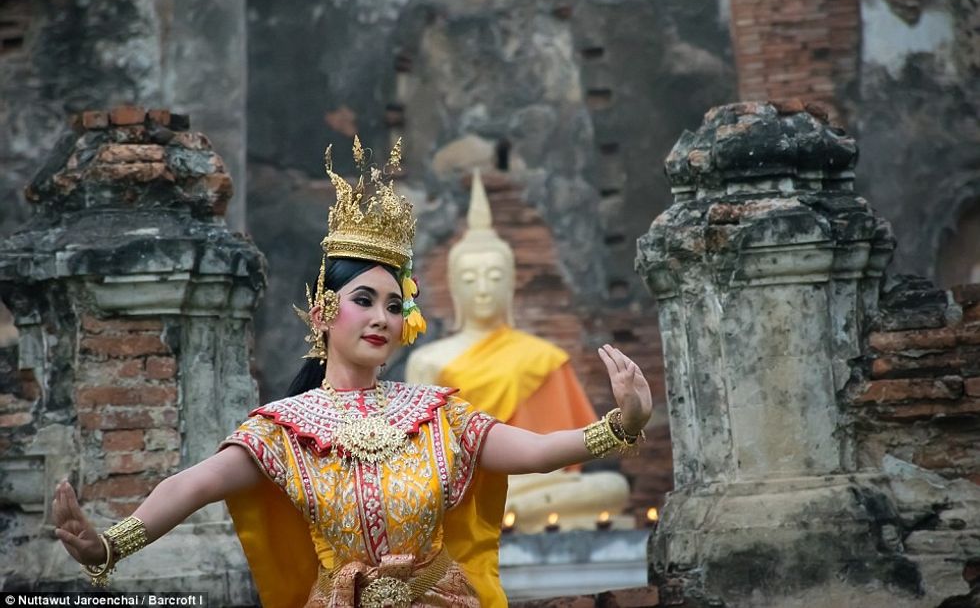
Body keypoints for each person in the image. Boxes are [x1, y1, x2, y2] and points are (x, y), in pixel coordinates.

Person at [51, 138, 653, 608]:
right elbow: (191, 487)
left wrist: (621, 424)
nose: (382, 318)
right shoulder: (284, 430)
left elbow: (538, 452)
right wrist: (109, 544)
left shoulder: (436, 413)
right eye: (363, 300)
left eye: (394, 305)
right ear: (322, 313)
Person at [406, 171, 631, 533]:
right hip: (469, 485)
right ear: (453, 287)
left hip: (540, 481)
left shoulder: (544, 357)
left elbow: (562, 459)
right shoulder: (428, 361)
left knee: (611, 487)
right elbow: (426, 458)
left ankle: (511, 506)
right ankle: (503, 504)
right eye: (470, 279)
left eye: (495, 277)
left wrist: (626, 424)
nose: (483, 289)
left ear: (511, 283)